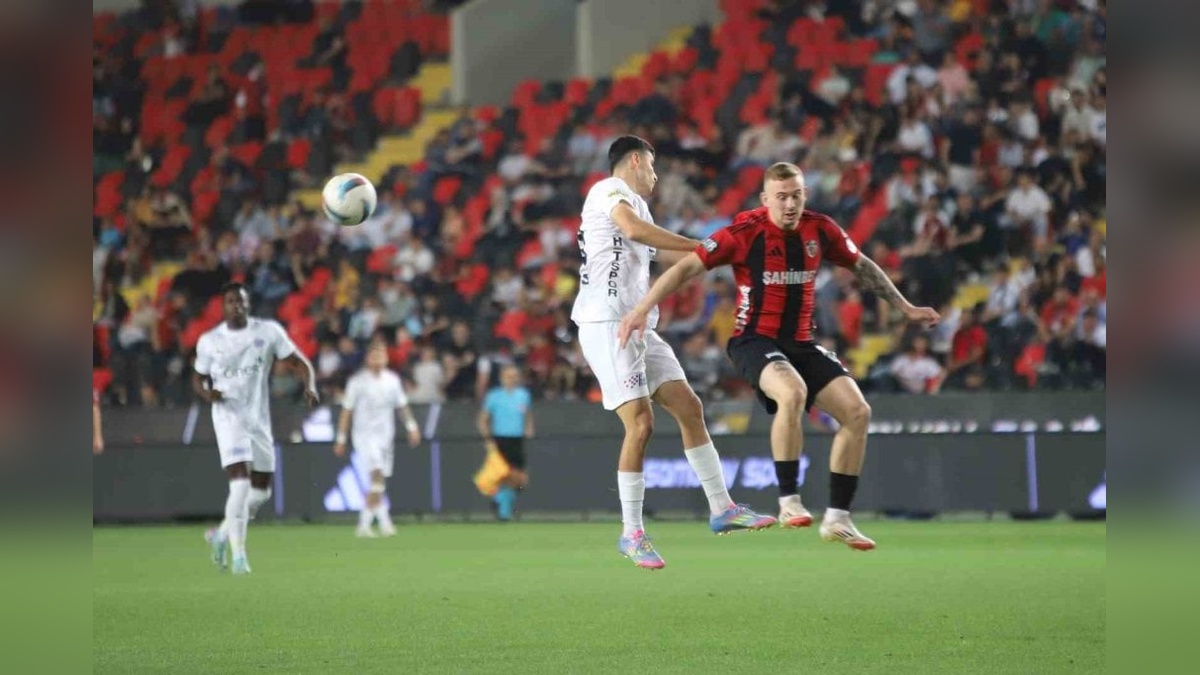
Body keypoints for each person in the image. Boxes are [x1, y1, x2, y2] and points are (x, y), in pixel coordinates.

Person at [619, 162, 940, 551]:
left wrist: (906, 307)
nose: (790, 205)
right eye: (782, 197)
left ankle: (838, 518)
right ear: (765, 199)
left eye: (797, 196)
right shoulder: (743, 233)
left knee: (858, 413)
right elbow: (684, 270)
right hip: (753, 340)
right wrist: (641, 310)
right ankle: (789, 502)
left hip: (801, 342)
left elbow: (863, 266)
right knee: (792, 392)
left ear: (805, 195)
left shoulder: (820, 229)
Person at [571, 135, 775, 570]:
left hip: (638, 322)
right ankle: (632, 533)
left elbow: (659, 252)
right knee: (640, 424)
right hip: (606, 323)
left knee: (688, 405)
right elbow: (633, 230)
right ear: (634, 161)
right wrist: (703, 246)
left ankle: (722, 508)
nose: (656, 175)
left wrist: (714, 256)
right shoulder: (608, 190)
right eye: (652, 165)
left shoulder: (638, 207)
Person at [194, 283, 318, 575]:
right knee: (239, 484)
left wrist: (309, 385)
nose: (237, 306)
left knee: (260, 493)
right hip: (228, 417)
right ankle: (239, 558)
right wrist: (207, 393)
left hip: (258, 420)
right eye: (231, 301)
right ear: (223, 306)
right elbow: (197, 378)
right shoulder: (209, 341)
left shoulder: (267, 332)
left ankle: (222, 533)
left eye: (241, 301)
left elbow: (298, 362)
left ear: (249, 305)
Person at [333, 342, 422, 538]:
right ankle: (365, 524)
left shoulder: (392, 380)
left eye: (381, 355)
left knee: (380, 481)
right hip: (364, 437)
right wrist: (341, 438)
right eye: (374, 355)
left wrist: (412, 427)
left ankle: (383, 522)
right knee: (378, 476)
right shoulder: (357, 382)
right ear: (367, 359)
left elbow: (402, 406)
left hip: (385, 437)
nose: (378, 359)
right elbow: (347, 411)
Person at [477, 365, 534, 521]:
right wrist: (488, 440)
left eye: (515, 375)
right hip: (500, 439)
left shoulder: (523, 395)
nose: (512, 379)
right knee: (504, 475)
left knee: (520, 479)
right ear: (502, 378)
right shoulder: (494, 396)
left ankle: (499, 501)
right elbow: (483, 420)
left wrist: (529, 427)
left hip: (517, 439)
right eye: (509, 376)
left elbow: (528, 413)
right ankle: (504, 512)